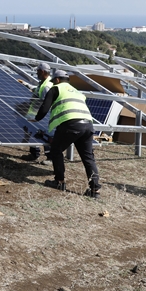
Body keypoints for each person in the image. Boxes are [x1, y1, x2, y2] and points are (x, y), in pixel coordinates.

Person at [31, 70, 101, 198]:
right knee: (88, 157)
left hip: (71, 125)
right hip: (88, 125)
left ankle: (59, 181)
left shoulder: (56, 88)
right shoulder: (77, 91)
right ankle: (94, 190)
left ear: (57, 80)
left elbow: (44, 108)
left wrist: (35, 119)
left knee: (56, 151)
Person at [23, 62, 54, 161]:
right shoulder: (43, 83)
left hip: (41, 115)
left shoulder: (47, 86)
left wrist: (41, 117)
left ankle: (49, 157)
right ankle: (34, 154)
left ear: (42, 71)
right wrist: (26, 85)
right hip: (34, 113)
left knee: (43, 134)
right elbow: (36, 90)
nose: (36, 73)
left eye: (38, 71)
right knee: (31, 132)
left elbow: (47, 103)